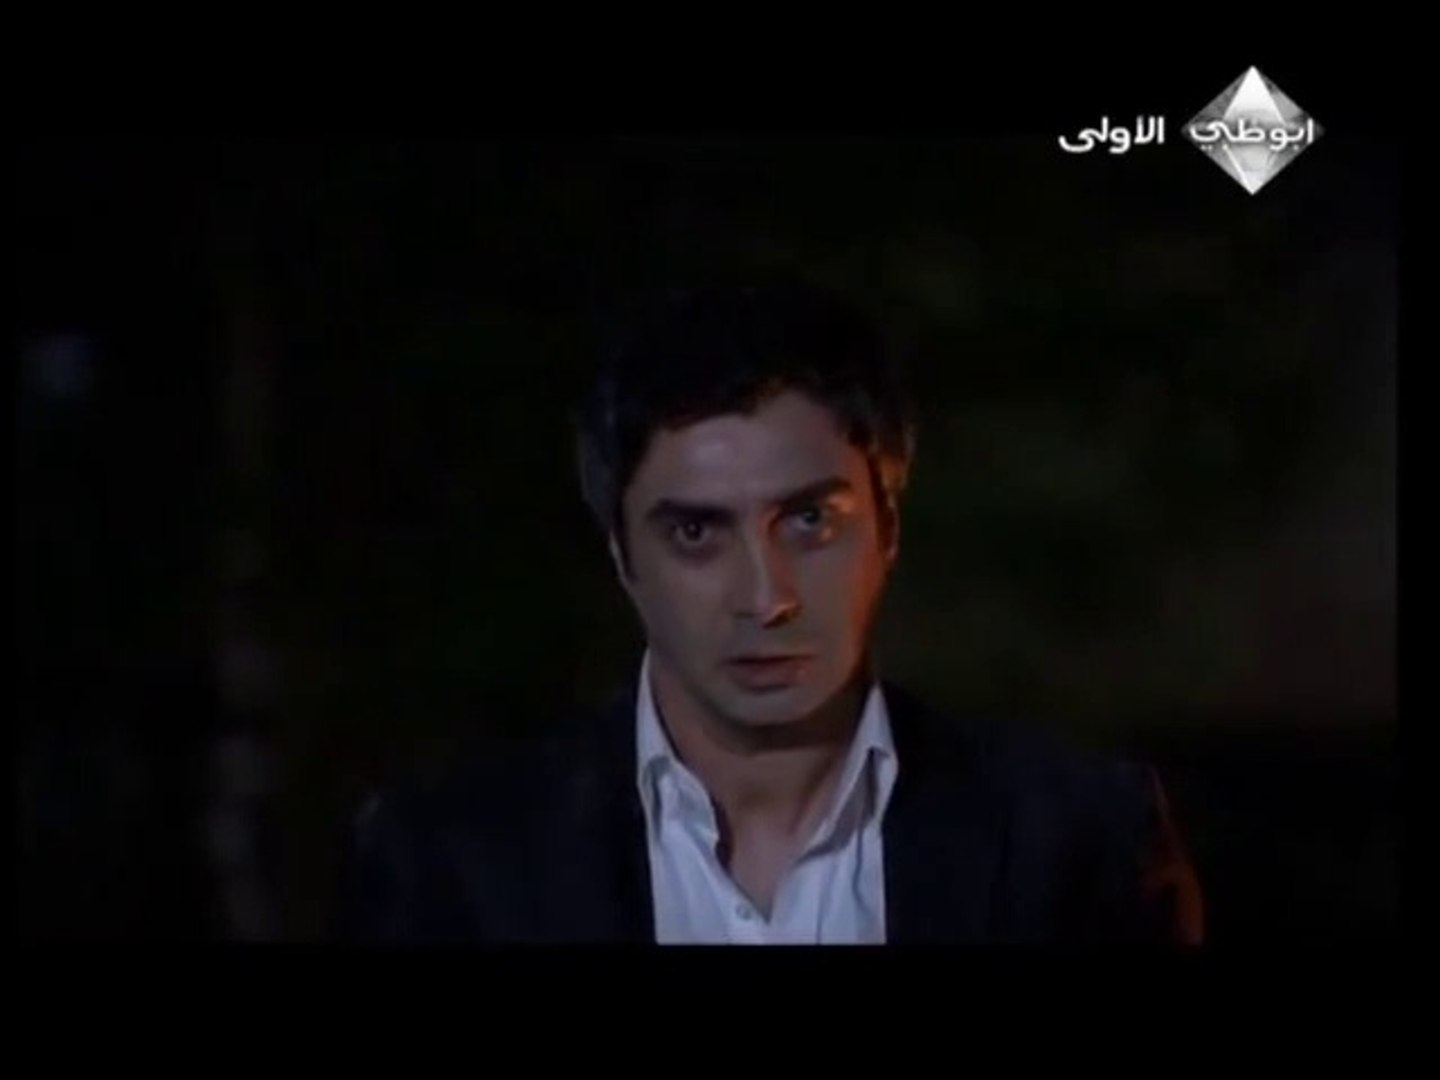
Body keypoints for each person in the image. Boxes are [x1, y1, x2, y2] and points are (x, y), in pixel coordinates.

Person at [335, 279, 1204, 944]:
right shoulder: (449, 862)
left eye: (810, 521)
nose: (767, 597)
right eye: (695, 533)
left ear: (889, 527)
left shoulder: (1079, 843)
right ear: (622, 556)